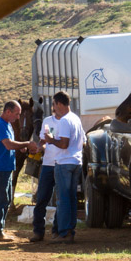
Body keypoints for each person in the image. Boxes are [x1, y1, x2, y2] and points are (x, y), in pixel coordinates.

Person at [42, 91, 85, 244]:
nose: (53, 108)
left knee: (63, 199)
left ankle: (64, 232)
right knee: (71, 197)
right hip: (76, 162)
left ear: (59, 104)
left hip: (64, 162)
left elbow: (64, 144)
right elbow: (83, 141)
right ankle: (69, 231)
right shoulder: (76, 118)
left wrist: (51, 140)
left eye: (54, 104)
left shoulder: (64, 121)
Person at [0, 101, 31, 242]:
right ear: (8, 112)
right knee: (0, 200)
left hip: (4, 167)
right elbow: (8, 144)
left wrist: (20, 147)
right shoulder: (0, 124)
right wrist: (26, 144)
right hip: (0, 167)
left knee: (5, 199)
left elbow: (10, 144)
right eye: (16, 114)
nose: (18, 117)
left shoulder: (6, 124)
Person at [28, 105, 61, 242]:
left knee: (61, 199)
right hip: (47, 165)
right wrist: (39, 148)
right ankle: (38, 231)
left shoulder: (69, 121)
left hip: (62, 164)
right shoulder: (48, 121)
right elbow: (45, 141)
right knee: (41, 198)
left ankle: (57, 230)